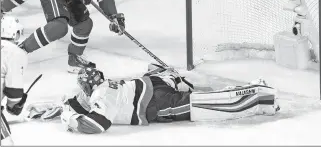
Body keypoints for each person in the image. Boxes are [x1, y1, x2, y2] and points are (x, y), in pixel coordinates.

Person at [26, 64, 280, 134]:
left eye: (81, 86)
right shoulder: (105, 85)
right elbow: (78, 102)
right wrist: (51, 109)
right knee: (199, 94)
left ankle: (261, 96)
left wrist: (70, 119)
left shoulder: (102, 96)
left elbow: (96, 125)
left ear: (88, 85)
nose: (80, 90)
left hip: (156, 105)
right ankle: (255, 90)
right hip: (153, 82)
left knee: (209, 103)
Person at [1, 15, 29, 145]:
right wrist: (14, 106)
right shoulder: (15, 52)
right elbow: (14, 89)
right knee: (6, 143)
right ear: (15, 33)